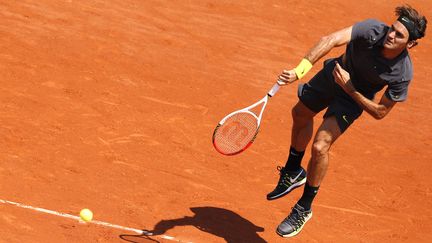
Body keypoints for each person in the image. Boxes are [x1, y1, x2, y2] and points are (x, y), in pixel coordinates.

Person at [266, 5, 427, 238]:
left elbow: (380, 111)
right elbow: (331, 39)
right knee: (300, 113)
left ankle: (303, 208)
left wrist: (350, 89)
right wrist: (299, 71)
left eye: (399, 35)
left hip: (353, 99)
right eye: (393, 29)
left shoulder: (402, 73)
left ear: (410, 44)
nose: (391, 35)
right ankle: (293, 171)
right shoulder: (372, 29)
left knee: (321, 146)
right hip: (335, 74)